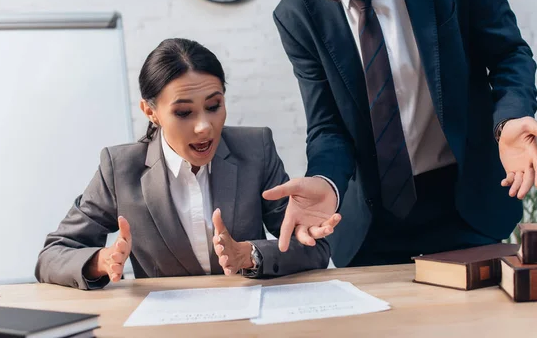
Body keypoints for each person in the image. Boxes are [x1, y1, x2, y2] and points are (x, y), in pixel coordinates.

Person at [261, 0, 537, 267]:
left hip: (466, 205)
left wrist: (510, 119)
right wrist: (324, 181)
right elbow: (328, 125)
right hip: (371, 227)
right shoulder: (297, 14)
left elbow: (507, 54)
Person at [35, 38, 330, 290]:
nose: (204, 126)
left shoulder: (256, 149)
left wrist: (249, 254)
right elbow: (52, 255)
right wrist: (100, 261)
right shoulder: (120, 168)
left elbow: (313, 249)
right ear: (151, 112)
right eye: (184, 112)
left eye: (214, 107)